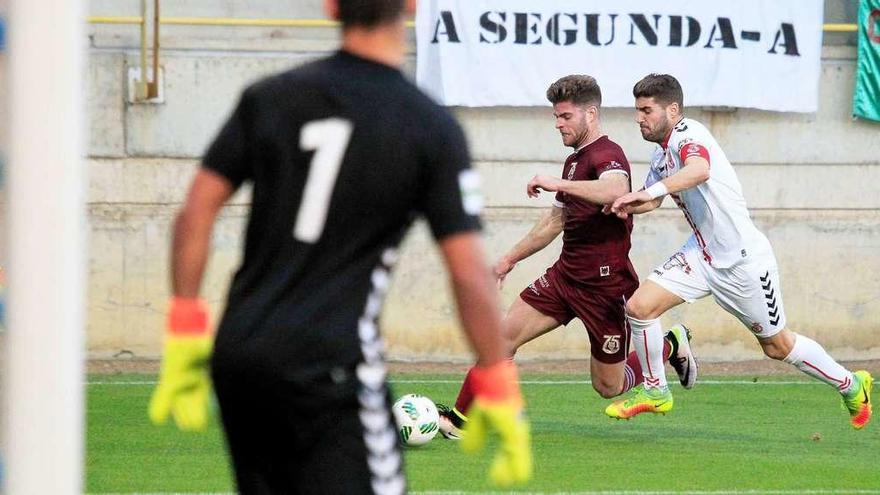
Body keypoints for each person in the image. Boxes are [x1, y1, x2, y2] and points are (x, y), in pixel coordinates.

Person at [146, 0, 533, 492]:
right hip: (331, 363)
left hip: (241, 355)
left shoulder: (269, 97)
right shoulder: (429, 127)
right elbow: (467, 271)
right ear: (411, 6)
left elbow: (195, 211)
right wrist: (496, 378)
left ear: (331, 7)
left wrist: (184, 324)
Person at [437, 75, 698, 440]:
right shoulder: (574, 162)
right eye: (556, 117)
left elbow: (616, 188)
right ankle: (460, 422)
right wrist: (509, 259)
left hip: (606, 287)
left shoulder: (608, 154)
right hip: (564, 278)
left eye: (565, 117)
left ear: (590, 114)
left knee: (609, 386)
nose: (558, 124)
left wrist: (558, 184)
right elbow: (555, 220)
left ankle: (668, 344)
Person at [606, 73, 872, 429]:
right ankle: (656, 391)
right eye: (637, 111)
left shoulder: (690, 134)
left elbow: (699, 170)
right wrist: (624, 203)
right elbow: (651, 199)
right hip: (701, 255)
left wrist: (650, 194)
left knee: (778, 347)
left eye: (646, 110)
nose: (639, 118)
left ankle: (852, 385)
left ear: (672, 109)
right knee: (639, 308)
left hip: (743, 262)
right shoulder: (661, 156)